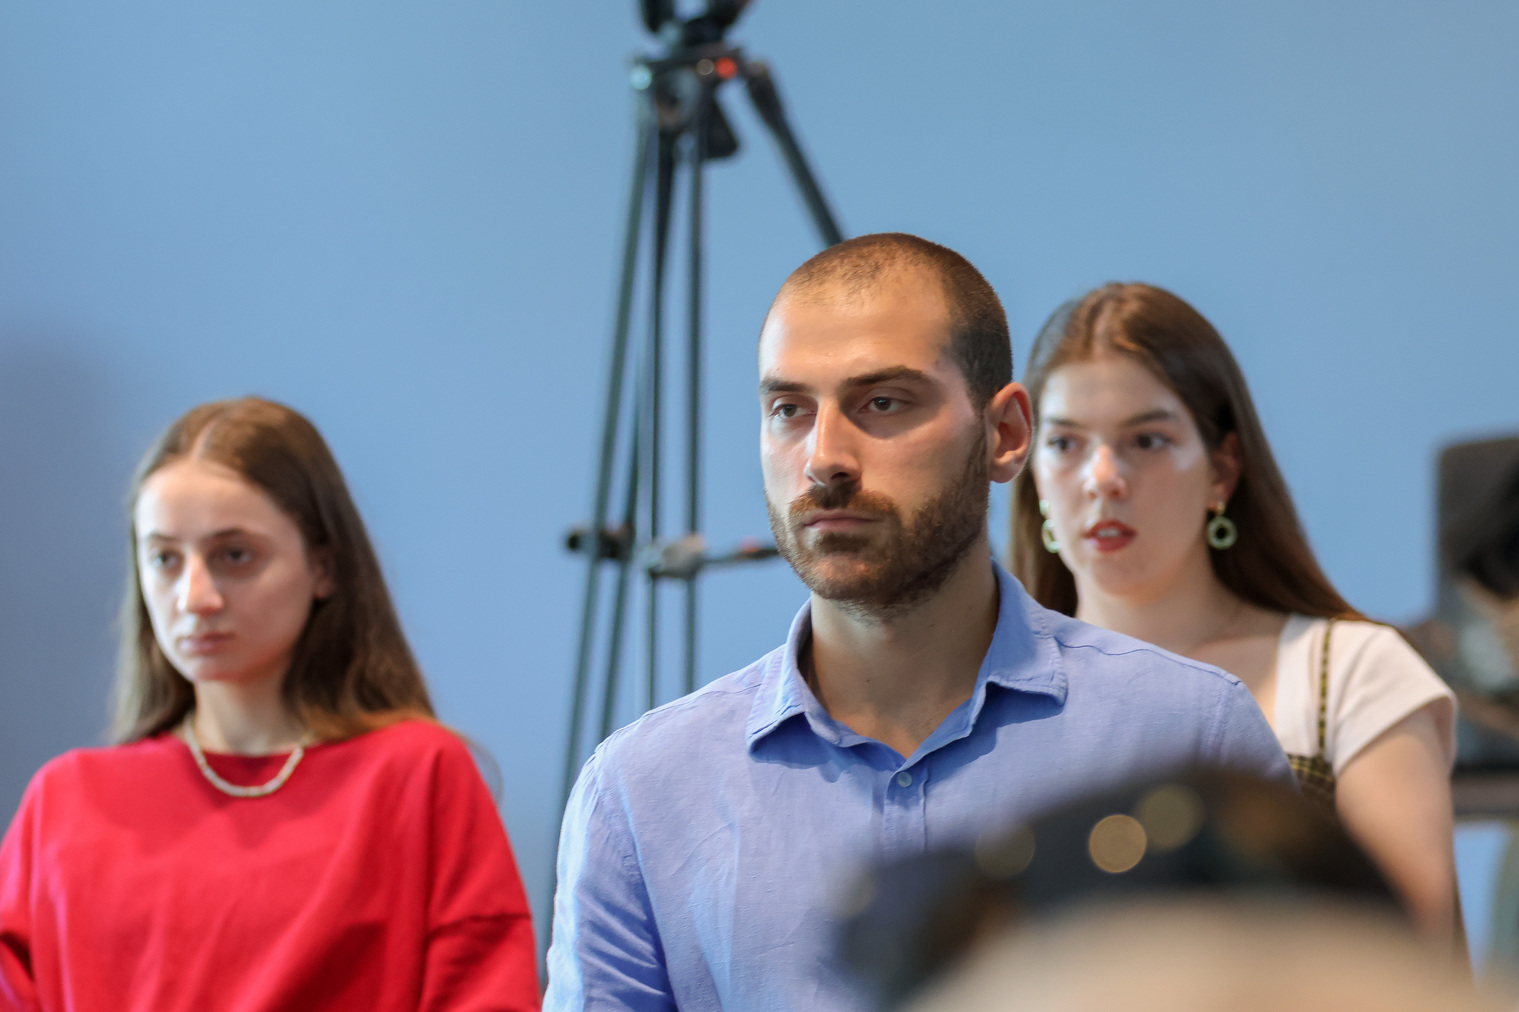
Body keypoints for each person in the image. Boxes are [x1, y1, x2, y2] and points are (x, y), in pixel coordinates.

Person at [546, 234, 1293, 1012]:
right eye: (788, 410)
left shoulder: (1192, 737)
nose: (823, 458)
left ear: (1005, 434)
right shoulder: (640, 794)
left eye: (882, 403)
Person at [0, 397, 538, 1011]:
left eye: (235, 556)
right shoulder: (66, 801)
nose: (194, 597)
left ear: (323, 567)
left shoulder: (418, 776)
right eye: (165, 559)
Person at [1010, 282, 1457, 940]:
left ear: (1221, 471)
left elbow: (1405, 960)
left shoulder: (1348, 673)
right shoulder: (992, 690)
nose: (1102, 478)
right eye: (1064, 444)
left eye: (1146, 440)